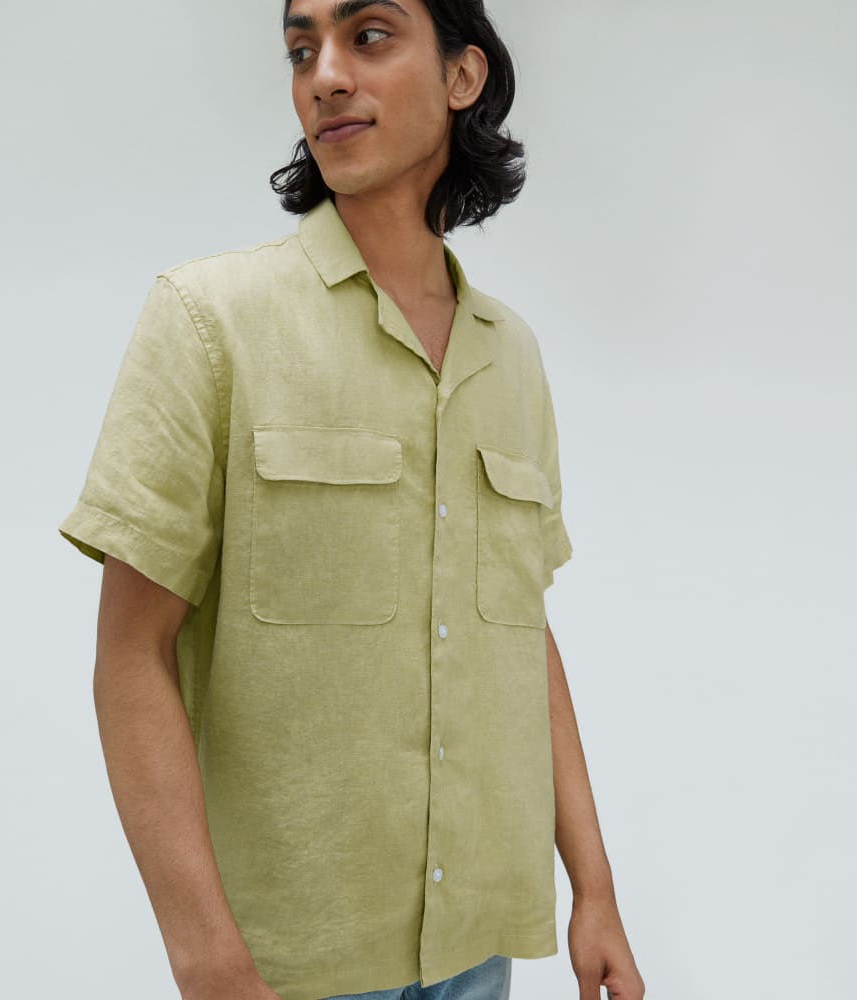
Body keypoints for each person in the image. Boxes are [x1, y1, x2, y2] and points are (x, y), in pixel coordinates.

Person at [58, 2, 645, 999]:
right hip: (290, 964)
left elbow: (518, 633)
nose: (324, 75)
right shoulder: (210, 320)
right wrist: (205, 956)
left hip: (480, 946)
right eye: (302, 49)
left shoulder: (512, 356)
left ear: (462, 77)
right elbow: (129, 656)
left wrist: (595, 890)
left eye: (367, 35)